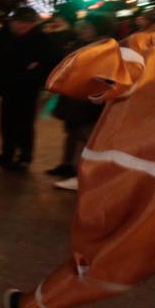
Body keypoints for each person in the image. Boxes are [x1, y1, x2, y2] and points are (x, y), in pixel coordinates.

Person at [3, 21, 155, 308]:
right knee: (107, 271)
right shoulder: (152, 48)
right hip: (150, 199)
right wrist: (107, 69)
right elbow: (95, 71)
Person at [45, 16, 110, 190]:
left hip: (87, 98)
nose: (83, 29)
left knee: (85, 136)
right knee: (72, 133)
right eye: (83, 26)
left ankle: (80, 174)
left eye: (88, 26)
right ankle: (67, 165)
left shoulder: (105, 47)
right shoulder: (80, 43)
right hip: (73, 96)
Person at [0, 6, 57, 170]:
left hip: (27, 89)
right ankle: (7, 154)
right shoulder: (8, 36)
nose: (13, 25)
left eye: (16, 22)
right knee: (6, 123)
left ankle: (25, 156)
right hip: (8, 86)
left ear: (26, 24)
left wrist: (31, 73)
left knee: (24, 123)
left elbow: (47, 63)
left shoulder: (41, 39)